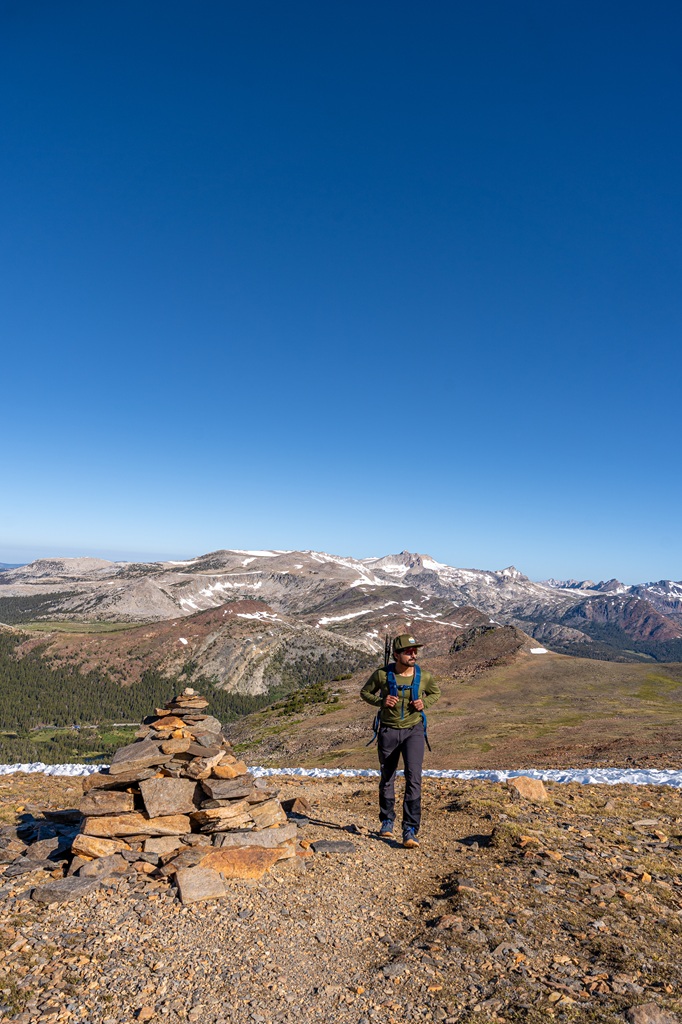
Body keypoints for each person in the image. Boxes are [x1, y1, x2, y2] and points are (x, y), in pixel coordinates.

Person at [360, 633, 440, 848]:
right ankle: (387, 820)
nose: (414, 655)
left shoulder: (424, 676)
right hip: (388, 731)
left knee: (414, 778)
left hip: (414, 731)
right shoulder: (381, 675)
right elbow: (365, 693)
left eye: (415, 651)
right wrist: (381, 701)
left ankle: (410, 829)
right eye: (408, 652)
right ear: (396, 654)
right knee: (387, 777)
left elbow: (435, 693)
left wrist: (425, 703)